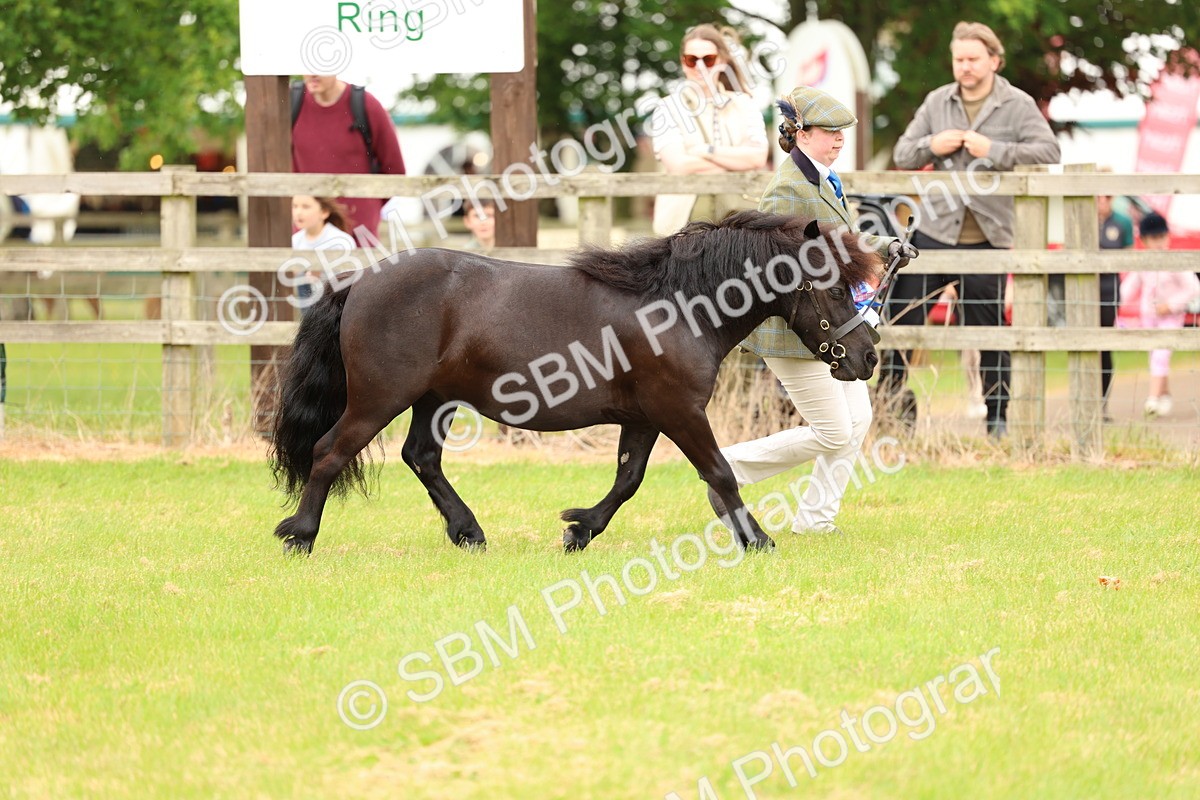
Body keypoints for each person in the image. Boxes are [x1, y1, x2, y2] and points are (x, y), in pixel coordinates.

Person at [712, 86, 918, 535]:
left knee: (857, 420)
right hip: (795, 331)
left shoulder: (820, 178)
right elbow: (771, 259)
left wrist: (885, 246)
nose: (839, 139)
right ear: (801, 134)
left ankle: (815, 521)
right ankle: (727, 467)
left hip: (828, 327)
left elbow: (835, 241)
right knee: (832, 431)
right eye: (829, 131)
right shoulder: (788, 189)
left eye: (842, 131)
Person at [889, 21, 1061, 438]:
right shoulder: (936, 102)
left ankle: (997, 418)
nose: (964, 67)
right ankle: (892, 406)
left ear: (994, 61)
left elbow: (1050, 149)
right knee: (897, 320)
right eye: (958, 59)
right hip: (932, 230)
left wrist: (994, 151)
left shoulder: (1017, 104)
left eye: (972, 59)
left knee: (988, 330)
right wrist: (934, 145)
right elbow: (902, 153)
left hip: (988, 235)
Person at [649, 24, 769, 235]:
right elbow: (679, 164)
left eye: (708, 59)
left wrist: (704, 150)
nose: (700, 66)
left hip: (738, 221)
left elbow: (758, 158)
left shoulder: (745, 104)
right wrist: (737, 164)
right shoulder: (667, 108)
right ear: (683, 63)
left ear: (722, 61)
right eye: (692, 59)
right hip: (683, 225)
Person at [291, 75, 407, 238]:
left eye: (321, 65)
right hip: (308, 233)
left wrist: (368, 208)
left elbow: (394, 170)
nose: (312, 73)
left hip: (359, 231)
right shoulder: (291, 102)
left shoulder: (366, 104)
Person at [1120, 212, 1200, 417]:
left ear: (1168, 237)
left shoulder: (1175, 262)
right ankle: (1164, 395)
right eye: (1153, 239)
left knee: (1160, 355)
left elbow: (1193, 288)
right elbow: (1129, 287)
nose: (1158, 242)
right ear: (1144, 241)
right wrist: (1117, 302)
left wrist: (1171, 305)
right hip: (1149, 316)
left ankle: (1153, 399)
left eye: (1161, 237)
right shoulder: (1143, 262)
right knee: (1154, 356)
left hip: (1171, 317)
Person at [1097, 184, 1134, 414]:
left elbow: (1129, 256)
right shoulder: (1080, 219)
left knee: (1103, 348)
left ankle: (1102, 403)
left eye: (1106, 196)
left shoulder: (1122, 222)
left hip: (1109, 291)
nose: (1102, 200)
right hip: (1080, 291)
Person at [291, 195, 355, 313]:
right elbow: (291, 274)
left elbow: (349, 276)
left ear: (324, 212)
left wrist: (320, 272)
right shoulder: (296, 240)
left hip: (337, 299)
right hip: (308, 297)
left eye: (306, 207)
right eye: (295, 206)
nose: (298, 212)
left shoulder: (340, 240)